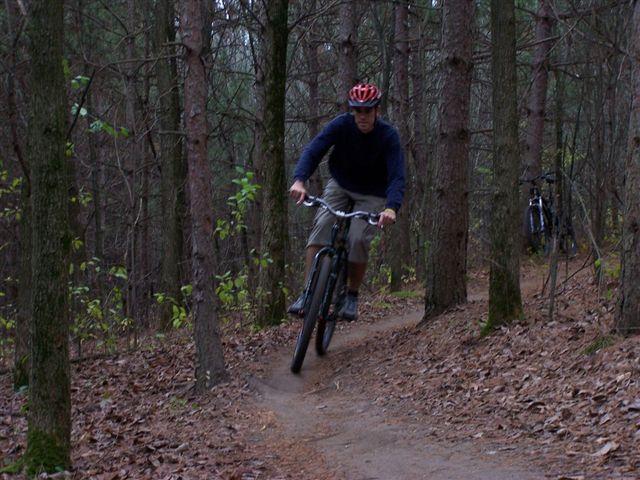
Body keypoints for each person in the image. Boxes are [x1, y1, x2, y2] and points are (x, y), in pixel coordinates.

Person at [288, 82, 405, 320]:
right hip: (340, 184)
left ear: (377, 111)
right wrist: (299, 180)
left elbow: (397, 176)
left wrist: (391, 208)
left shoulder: (388, 136)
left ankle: (351, 294)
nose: (362, 116)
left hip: (372, 193)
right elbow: (314, 150)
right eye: (357, 111)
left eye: (367, 111)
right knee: (321, 227)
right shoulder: (341, 126)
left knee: (358, 238)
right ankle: (308, 293)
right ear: (352, 111)